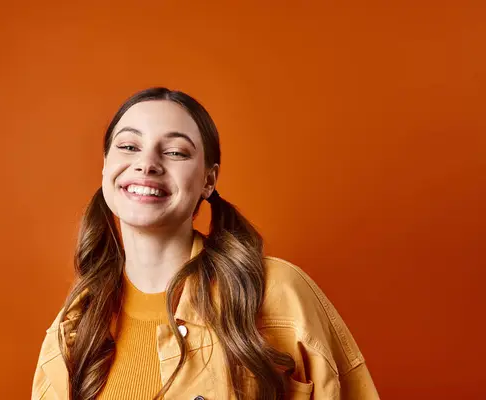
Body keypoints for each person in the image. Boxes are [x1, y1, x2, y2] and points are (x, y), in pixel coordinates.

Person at [31, 87, 379, 400]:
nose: (147, 164)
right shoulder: (73, 328)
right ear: (106, 167)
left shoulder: (278, 292)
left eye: (175, 152)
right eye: (128, 146)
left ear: (208, 180)